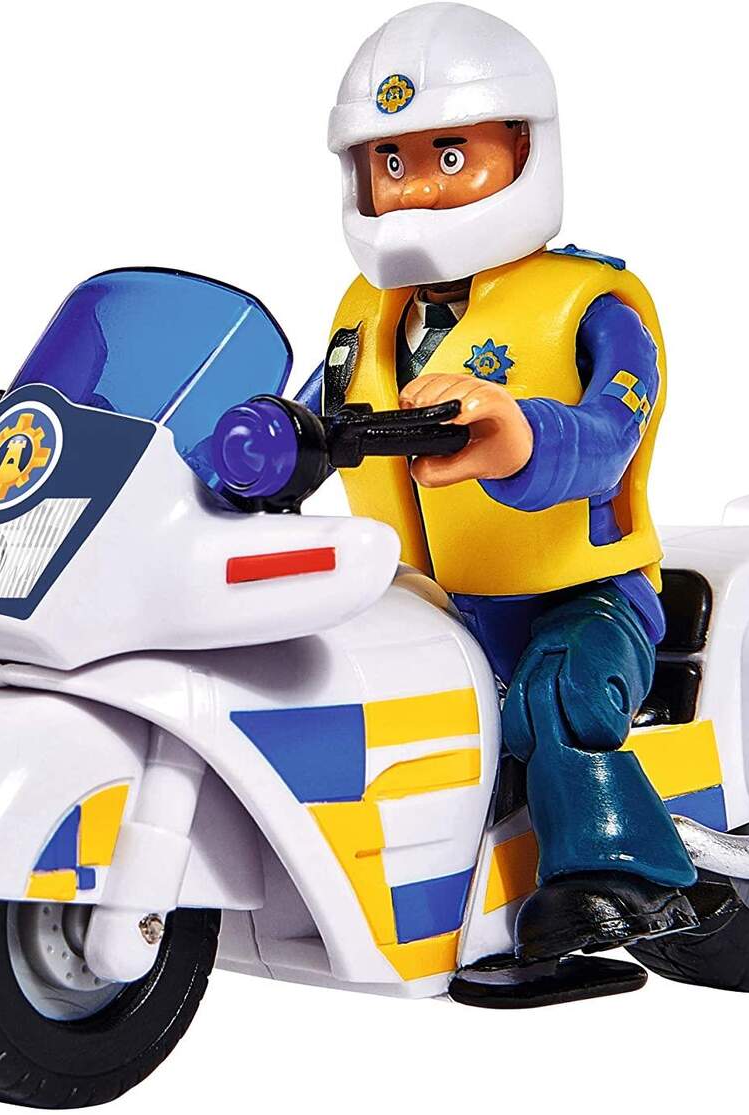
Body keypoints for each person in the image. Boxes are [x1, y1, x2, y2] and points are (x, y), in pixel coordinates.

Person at [299, 2, 699, 960]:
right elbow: (300, 419)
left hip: (581, 597)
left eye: (449, 155)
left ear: (525, 147)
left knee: (559, 692)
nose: (417, 189)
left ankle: (617, 876)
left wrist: (524, 438)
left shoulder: (590, 304)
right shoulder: (365, 317)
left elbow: (614, 431)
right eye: (391, 162)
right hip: (418, 596)